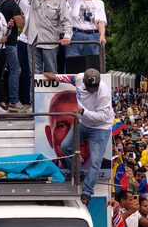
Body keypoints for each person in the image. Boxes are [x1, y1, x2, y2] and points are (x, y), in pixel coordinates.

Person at [49, 69, 114, 205]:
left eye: (94, 87)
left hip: (100, 128)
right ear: (84, 82)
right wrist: (55, 77)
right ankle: (79, 173)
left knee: (96, 162)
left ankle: (87, 191)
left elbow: (102, 117)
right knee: (65, 146)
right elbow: (69, 78)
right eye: (89, 87)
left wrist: (83, 111)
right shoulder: (79, 78)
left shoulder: (103, 92)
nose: (92, 90)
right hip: (83, 123)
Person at [58, 0, 107, 67]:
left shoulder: (99, 3)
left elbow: (101, 21)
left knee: (91, 67)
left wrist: (102, 35)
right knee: (73, 65)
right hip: (76, 36)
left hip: (92, 37)